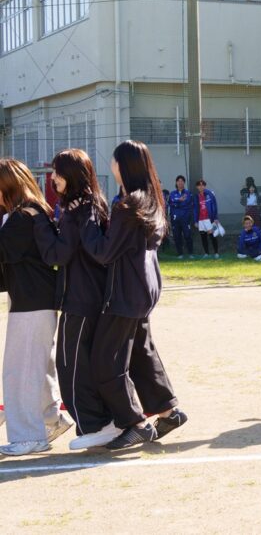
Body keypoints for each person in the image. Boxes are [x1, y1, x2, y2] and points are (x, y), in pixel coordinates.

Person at [79, 140, 188, 449]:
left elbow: (103, 251)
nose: (111, 164)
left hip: (126, 292)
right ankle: (168, 412)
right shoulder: (149, 200)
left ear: (122, 166)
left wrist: (86, 221)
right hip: (144, 287)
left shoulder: (128, 206)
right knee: (141, 352)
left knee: (105, 359)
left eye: (114, 160)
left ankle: (135, 423)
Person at [34, 149, 120, 449]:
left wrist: (41, 223)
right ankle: (101, 423)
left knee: (72, 364)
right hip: (86, 296)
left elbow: (58, 253)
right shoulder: (88, 204)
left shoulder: (79, 208)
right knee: (79, 362)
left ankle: (97, 425)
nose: (53, 177)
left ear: (71, 175)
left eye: (58, 172)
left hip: (81, 298)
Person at [0, 158, 72, 456]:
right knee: (35, 367)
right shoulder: (28, 212)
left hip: (32, 302)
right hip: (33, 300)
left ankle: (29, 436)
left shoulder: (22, 217)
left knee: (20, 372)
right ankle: (51, 420)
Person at [167, 175, 194, 259]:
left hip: (185, 218)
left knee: (187, 236)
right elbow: (171, 203)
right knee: (177, 236)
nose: (180, 182)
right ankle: (180, 254)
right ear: (176, 182)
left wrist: (176, 203)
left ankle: (190, 253)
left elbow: (187, 204)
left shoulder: (188, 193)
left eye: (182, 181)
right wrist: (179, 201)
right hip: (175, 219)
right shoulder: (172, 193)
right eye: (178, 181)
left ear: (184, 183)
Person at [193, 179, 220, 259]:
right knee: (203, 237)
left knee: (212, 236)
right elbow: (195, 209)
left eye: (202, 185)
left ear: (205, 186)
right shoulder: (196, 196)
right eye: (199, 185)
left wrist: (215, 218)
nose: (201, 187)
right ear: (197, 187)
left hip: (209, 219)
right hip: (201, 220)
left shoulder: (210, 194)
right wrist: (195, 220)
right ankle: (206, 253)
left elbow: (214, 206)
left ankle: (216, 253)